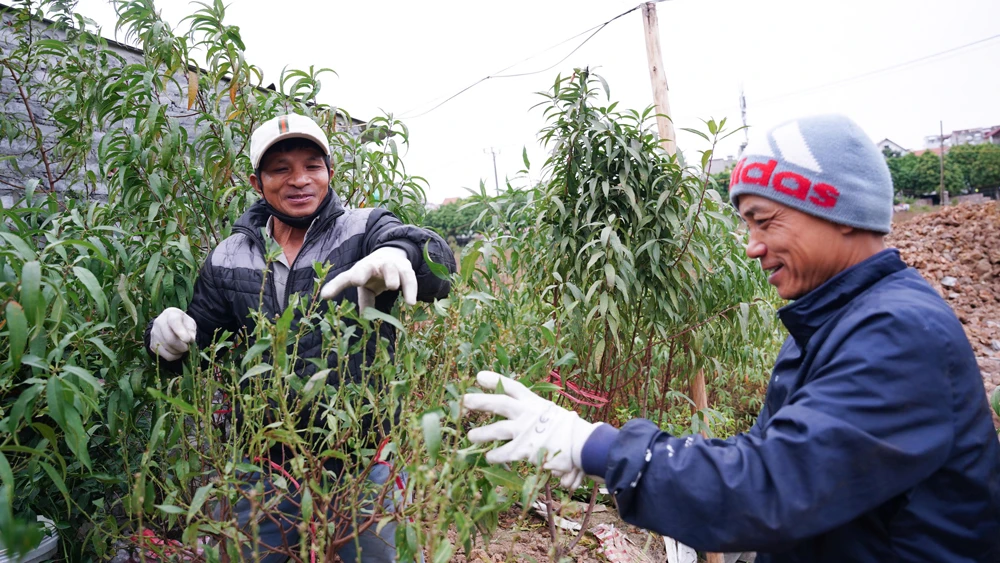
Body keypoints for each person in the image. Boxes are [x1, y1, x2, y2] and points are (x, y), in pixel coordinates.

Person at [462, 114, 1000, 562]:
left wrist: (599, 446)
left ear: (836, 211)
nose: (751, 247)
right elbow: (772, 462)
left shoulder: (898, 334)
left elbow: (773, 488)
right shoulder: (829, 322)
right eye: (747, 226)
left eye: (764, 221)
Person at [145, 113, 456, 562]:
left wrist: (399, 252)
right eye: (280, 169)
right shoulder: (230, 255)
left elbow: (435, 262)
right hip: (263, 458)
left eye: (312, 165)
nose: (299, 180)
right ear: (257, 182)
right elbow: (195, 351)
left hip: (361, 453)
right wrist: (165, 340)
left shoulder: (364, 229)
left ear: (329, 171)